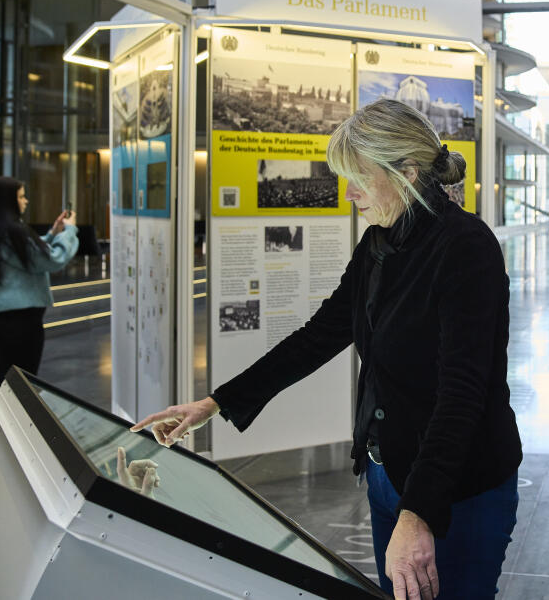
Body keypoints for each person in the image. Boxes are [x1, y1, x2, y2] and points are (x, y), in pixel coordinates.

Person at [133, 99, 522, 599]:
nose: (348, 192)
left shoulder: (465, 247)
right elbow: (317, 337)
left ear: (406, 172)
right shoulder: (378, 246)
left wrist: (420, 512)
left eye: (357, 177)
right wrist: (216, 403)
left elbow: (462, 394)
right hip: (390, 475)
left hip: (457, 489)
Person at [0, 177, 78, 417]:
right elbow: (52, 259)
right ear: (8, 200)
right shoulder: (12, 231)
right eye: (20, 196)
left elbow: (28, 258)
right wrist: (69, 231)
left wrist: (52, 233)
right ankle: (11, 445)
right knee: (20, 389)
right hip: (19, 323)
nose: (25, 201)